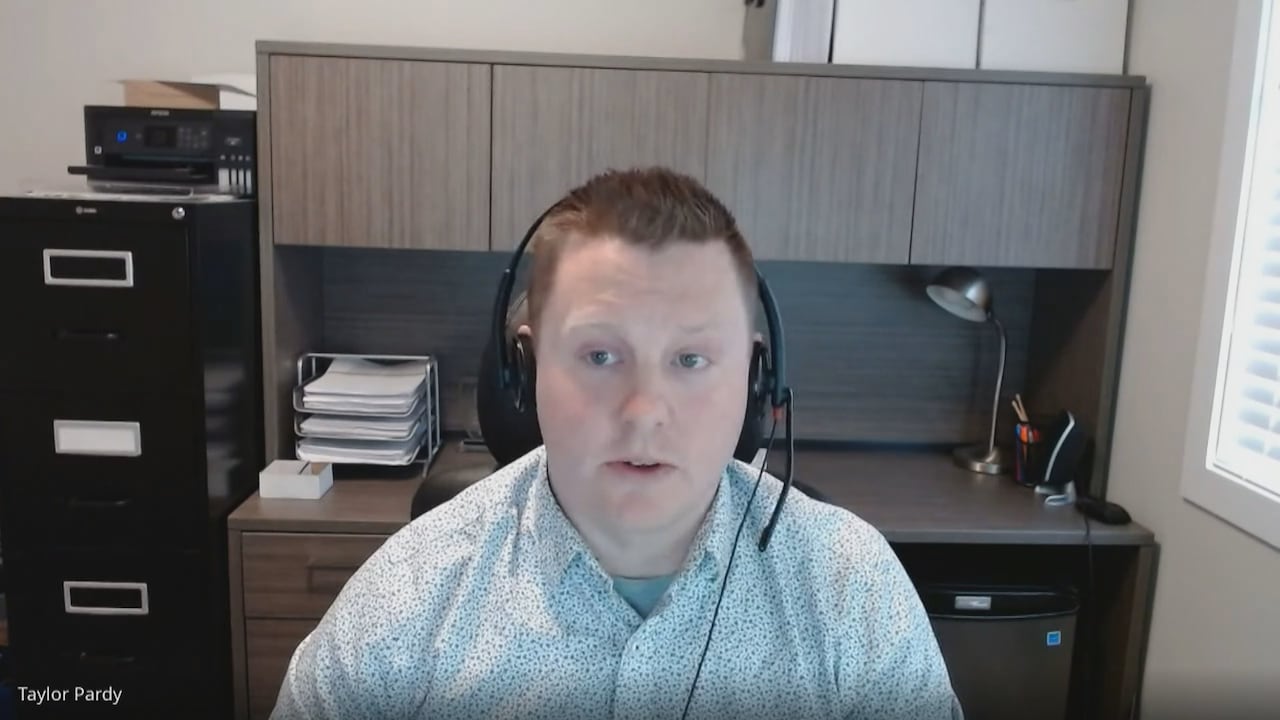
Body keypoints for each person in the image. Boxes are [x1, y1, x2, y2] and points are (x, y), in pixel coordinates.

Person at [271, 167, 962, 720]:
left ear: (756, 381)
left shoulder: (849, 590)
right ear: (526, 369)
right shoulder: (407, 601)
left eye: (691, 360)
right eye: (601, 356)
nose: (644, 413)